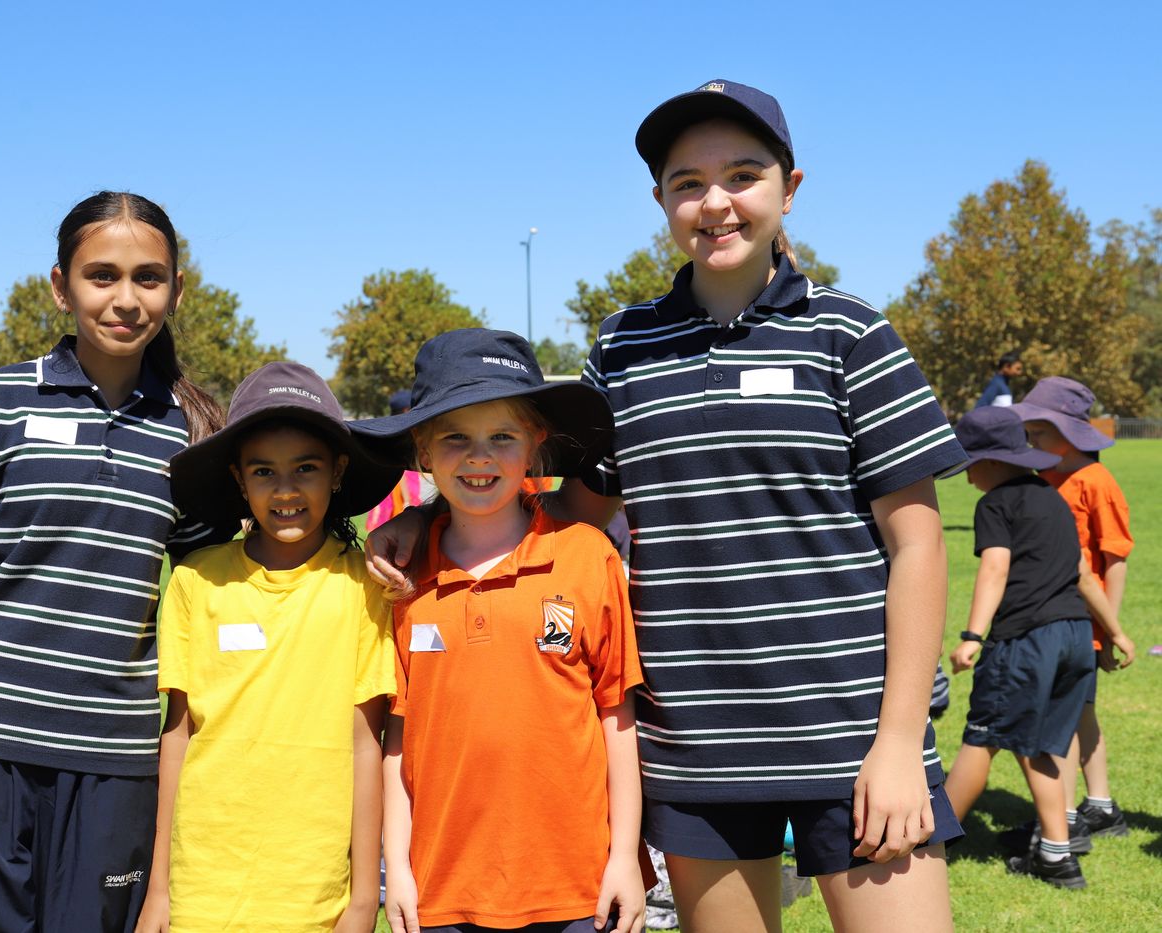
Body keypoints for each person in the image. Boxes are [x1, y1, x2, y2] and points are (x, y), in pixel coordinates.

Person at [368, 81, 967, 932]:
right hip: (692, 753)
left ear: (790, 188)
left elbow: (918, 547)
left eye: (743, 175)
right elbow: (570, 512)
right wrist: (427, 520)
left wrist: (900, 741)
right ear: (661, 200)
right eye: (689, 182)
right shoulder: (623, 347)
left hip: (853, 740)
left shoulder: (852, 335)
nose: (716, 202)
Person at [0, 191, 227, 933]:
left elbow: (221, 587)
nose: (125, 298)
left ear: (177, 290)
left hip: (115, 758)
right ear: (62, 287)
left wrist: (404, 530)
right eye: (102, 276)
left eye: (148, 277)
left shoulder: (192, 434)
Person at [354, 328, 646, 933]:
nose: (479, 456)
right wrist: (397, 868)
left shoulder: (587, 556)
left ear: (536, 446)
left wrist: (623, 856)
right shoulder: (403, 579)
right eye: (455, 437)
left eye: (502, 437)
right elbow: (397, 740)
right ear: (422, 451)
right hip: (442, 888)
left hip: (577, 887)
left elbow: (617, 718)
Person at [135, 361, 401, 932]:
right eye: (264, 471)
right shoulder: (196, 580)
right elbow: (177, 737)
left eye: (306, 467)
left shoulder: (364, 585)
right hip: (202, 884)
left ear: (338, 471)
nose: (285, 490)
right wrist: (160, 889)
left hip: (313, 889)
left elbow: (367, 745)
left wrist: (362, 900)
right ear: (239, 479)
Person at [938, 408, 1102, 889]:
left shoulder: (995, 504)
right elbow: (1081, 571)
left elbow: (995, 568)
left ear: (991, 461)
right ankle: (1056, 854)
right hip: (1074, 635)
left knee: (982, 737)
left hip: (1027, 641)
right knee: (1041, 745)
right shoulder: (1052, 496)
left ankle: (930, 843)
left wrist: (972, 636)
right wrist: (1115, 632)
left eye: (969, 463)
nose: (966, 475)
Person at [1008, 377, 1136, 848]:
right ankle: (1099, 807)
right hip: (1051, 616)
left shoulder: (1096, 482)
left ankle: (1062, 820)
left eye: (1039, 432)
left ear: (1068, 432)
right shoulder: (1043, 478)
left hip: (1082, 621)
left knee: (1059, 719)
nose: (1031, 441)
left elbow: (1115, 559)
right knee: (1078, 712)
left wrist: (1106, 628)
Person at [366, 390, 437, 532]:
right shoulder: (404, 440)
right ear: (407, 410)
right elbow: (402, 472)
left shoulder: (390, 438)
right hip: (407, 495)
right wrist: (407, 500)